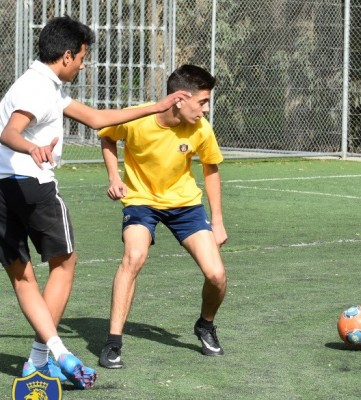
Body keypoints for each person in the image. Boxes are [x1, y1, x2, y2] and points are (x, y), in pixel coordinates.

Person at [0, 16, 190, 389]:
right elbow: (9, 132)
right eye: (83, 57)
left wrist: (157, 105)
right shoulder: (39, 89)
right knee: (65, 265)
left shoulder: (42, 85)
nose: (85, 65)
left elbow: (99, 118)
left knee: (22, 277)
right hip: (33, 185)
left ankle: (46, 358)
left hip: (2, 188)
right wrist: (33, 147)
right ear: (67, 56)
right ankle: (45, 357)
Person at [97, 64, 228, 369]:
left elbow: (211, 169)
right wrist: (114, 177)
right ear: (180, 99)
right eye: (202, 102)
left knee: (217, 275)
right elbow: (107, 136)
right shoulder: (138, 117)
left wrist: (218, 220)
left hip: (185, 205)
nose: (206, 110)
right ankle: (113, 342)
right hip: (141, 200)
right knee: (134, 256)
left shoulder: (201, 129)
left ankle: (205, 324)